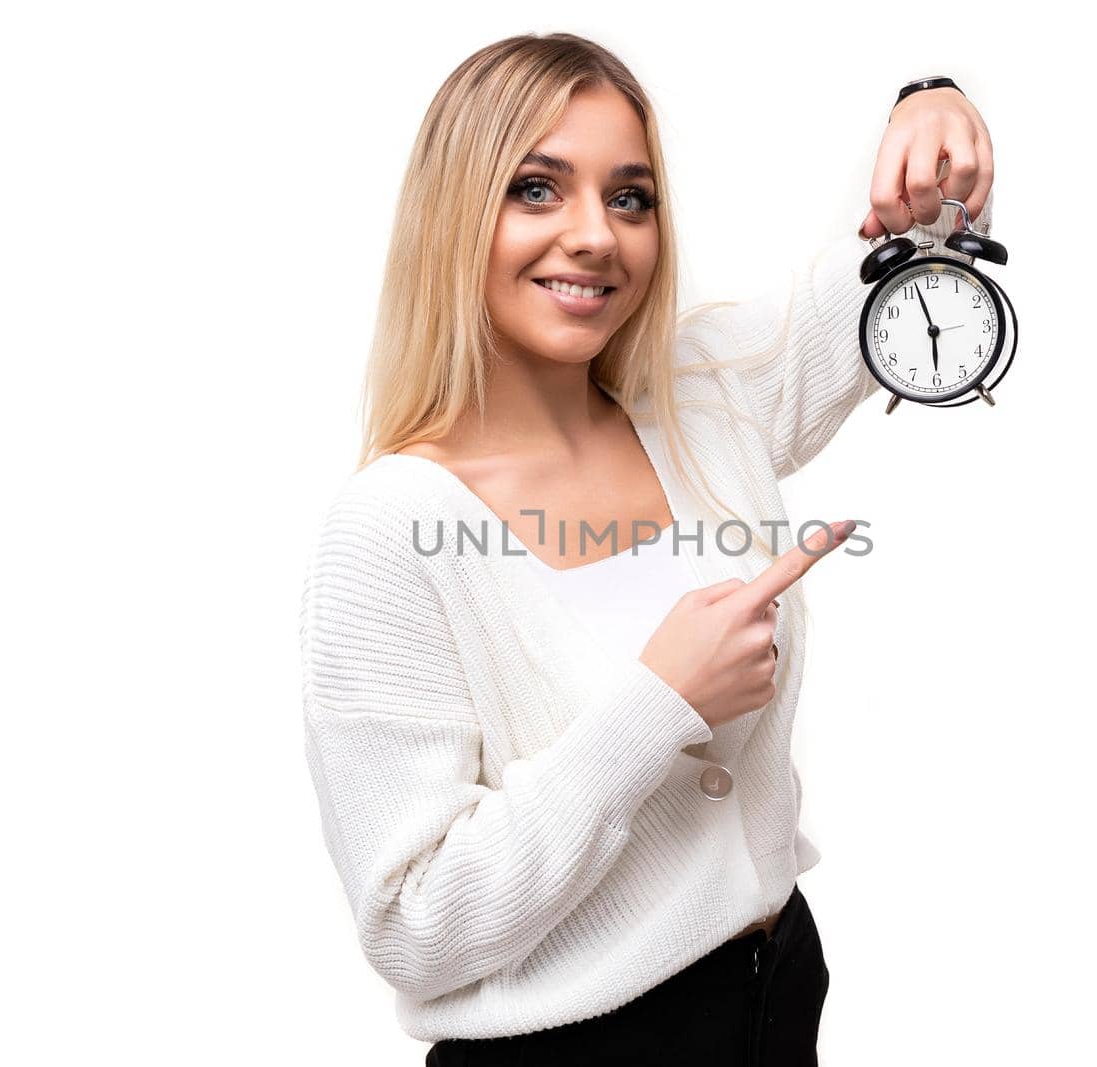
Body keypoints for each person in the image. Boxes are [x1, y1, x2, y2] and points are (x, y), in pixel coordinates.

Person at [299, 32, 996, 1065]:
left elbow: (912, 265)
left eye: (630, 198)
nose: (595, 236)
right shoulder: (390, 529)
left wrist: (931, 99)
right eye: (537, 189)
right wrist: (655, 701)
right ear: (455, 214)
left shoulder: (701, 394)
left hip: (774, 999)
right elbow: (414, 926)